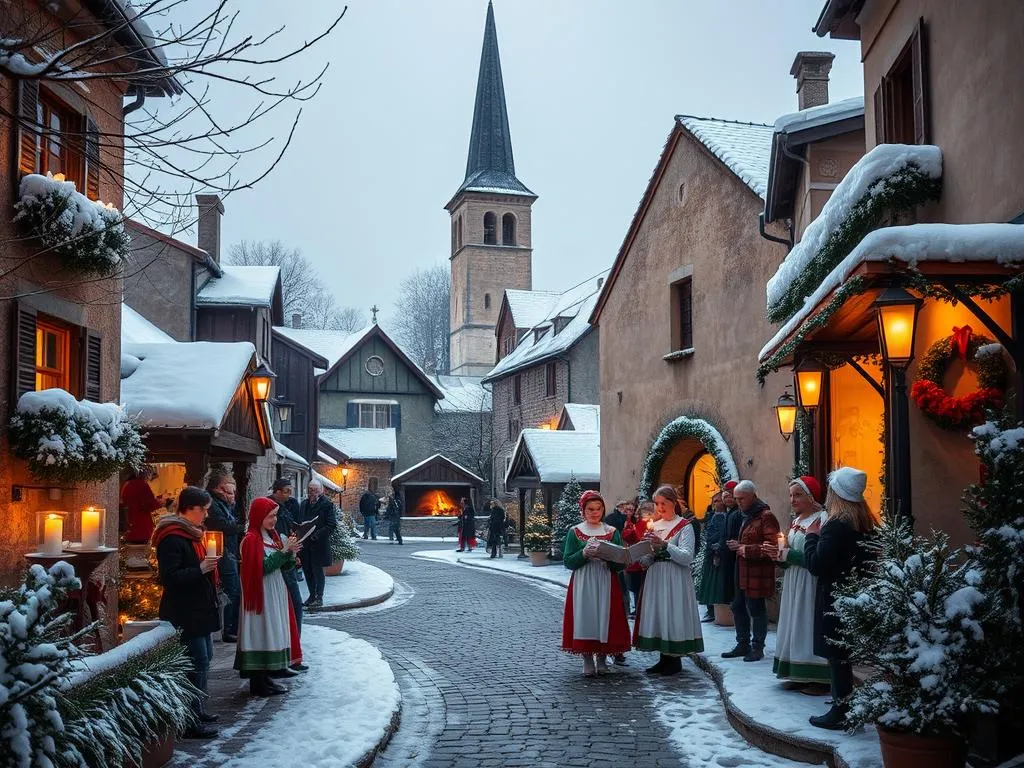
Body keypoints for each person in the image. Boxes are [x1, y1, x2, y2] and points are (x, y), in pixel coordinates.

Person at [803, 467, 878, 730]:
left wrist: (811, 537)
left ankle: (841, 710)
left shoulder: (835, 526)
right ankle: (843, 702)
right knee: (843, 653)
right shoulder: (867, 523)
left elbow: (817, 565)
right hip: (855, 595)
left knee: (837, 654)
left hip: (834, 597)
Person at [153, 486, 220, 738]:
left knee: (205, 658)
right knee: (195, 662)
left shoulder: (193, 534)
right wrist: (201, 569)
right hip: (184, 611)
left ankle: (198, 708)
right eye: (202, 510)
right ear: (188, 509)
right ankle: (189, 719)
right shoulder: (172, 537)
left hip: (199, 609)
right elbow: (169, 578)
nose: (205, 514)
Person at [764, 476, 830, 690]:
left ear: (812, 497)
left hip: (811, 582)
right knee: (795, 623)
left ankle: (818, 676)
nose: (792, 500)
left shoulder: (822, 519)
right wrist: (777, 556)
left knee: (808, 623)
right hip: (794, 580)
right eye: (791, 495)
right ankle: (797, 671)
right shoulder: (796, 521)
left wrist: (789, 555)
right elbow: (789, 554)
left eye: (798, 495)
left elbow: (818, 557)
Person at [235, 497, 303, 696]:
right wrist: (283, 552)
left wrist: (291, 556)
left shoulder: (271, 537)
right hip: (260, 593)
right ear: (259, 516)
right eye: (270, 516)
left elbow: (282, 566)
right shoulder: (251, 540)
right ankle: (258, 682)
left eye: (275, 515)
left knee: (271, 631)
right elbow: (262, 568)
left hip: (274, 590)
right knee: (261, 632)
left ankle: (267, 677)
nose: (274, 520)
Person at [633, 485, 704, 676]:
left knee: (672, 612)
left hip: (675, 577)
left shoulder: (684, 526)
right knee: (659, 613)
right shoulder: (654, 527)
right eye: (657, 504)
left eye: (664, 503)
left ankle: (674, 660)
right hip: (656, 577)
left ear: (674, 502)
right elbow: (650, 556)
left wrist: (664, 545)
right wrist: (642, 557)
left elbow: (687, 556)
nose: (660, 507)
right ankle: (663, 658)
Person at [561, 490, 631, 676]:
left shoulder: (611, 532)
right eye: (590, 509)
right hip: (584, 581)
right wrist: (584, 554)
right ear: (583, 510)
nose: (595, 512)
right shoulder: (575, 532)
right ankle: (587, 658)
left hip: (606, 579)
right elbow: (568, 561)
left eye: (598, 509)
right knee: (586, 615)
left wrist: (613, 559)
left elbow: (619, 563)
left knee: (605, 615)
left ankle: (602, 658)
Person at [722, 479, 780, 663]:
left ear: (753, 496)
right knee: (738, 606)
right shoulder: (745, 515)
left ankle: (757, 646)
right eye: (736, 499)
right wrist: (737, 546)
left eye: (742, 499)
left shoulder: (765, 516)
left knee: (756, 608)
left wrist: (745, 549)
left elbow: (772, 546)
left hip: (757, 571)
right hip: (742, 569)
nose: (738, 502)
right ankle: (742, 644)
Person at [269, 479, 307, 672]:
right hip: (280, 564)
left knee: (295, 606)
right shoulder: (273, 508)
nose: (289, 495)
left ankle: (293, 653)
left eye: (290, 491)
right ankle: (289, 655)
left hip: (287, 559)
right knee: (291, 606)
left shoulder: (289, 506)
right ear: (275, 491)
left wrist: (294, 552)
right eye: (285, 491)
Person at [205, 473, 242, 643]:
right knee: (231, 590)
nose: (233, 487)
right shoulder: (213, 504)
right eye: (230, 484)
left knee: (234, 590)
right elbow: (223, 525)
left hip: (229, 551)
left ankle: (232, 627)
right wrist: (241, 527)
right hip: (223, 553)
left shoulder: (224, 503)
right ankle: (228, 629)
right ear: (220, 487)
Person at [298, 480, 338, 609]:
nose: (312, 492)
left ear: (321, 491)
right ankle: (311, 596)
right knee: (307, 571)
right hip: (305, 544)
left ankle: (319, 597)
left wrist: (317, 534)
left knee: (318, 572)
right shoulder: (303, 504)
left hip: (319, 544)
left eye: (315, 490)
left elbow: (331, 524)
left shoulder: (326, 504)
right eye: (310, 489)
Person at [696, 492, 729, 622]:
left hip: (716, 554)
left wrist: (717, 551)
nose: (715, 504)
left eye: (718, 501)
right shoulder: (712, 516)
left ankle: (715, 611)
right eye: (714, 501)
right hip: (709, 553)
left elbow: (721, 535)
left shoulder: (723, 517)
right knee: (708, 582)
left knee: (715, 583)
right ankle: (710, 610)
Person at [622, 500, 651, 618]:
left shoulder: (652, 524)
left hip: (647, 560)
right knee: (635, 587)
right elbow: (626, 537)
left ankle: (642, 609)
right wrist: (629, 525)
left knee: (643, 587)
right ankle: (638, 608)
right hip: (635, 561)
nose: (647, 513)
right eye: (645, 510)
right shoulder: (635, 523)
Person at [121, 465, 164, 544]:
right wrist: (160, 502)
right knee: (141, 551)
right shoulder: (142, 485)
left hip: (131, 523)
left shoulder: (127, 484)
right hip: (141, 526)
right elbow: (149, 504)